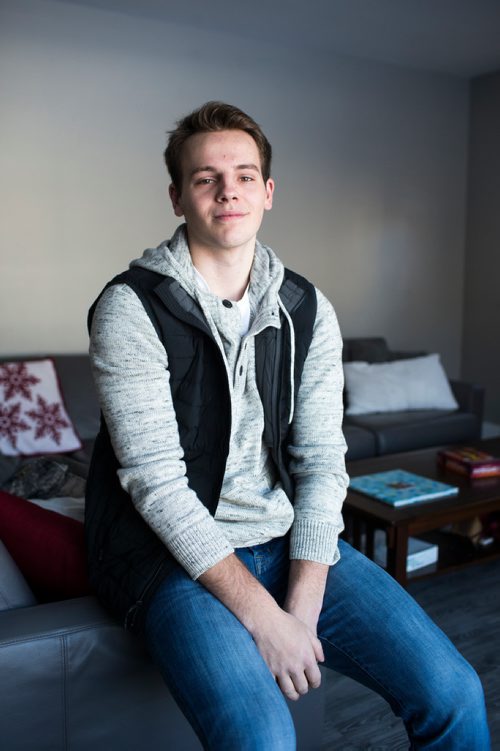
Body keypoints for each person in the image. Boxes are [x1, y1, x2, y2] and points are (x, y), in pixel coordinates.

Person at [86, 101, 490, 750]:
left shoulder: (306, 307)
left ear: (268, 192)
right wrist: (262, 618)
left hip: (284, 539)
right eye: (205, 178)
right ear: (176, 196)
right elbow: (157, 486)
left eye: (245, 175)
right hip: (173, 561)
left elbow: (324, 461)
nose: (228, 191)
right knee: (263, 741)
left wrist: (301, 605)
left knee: (455, 693)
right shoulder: (131, 309)